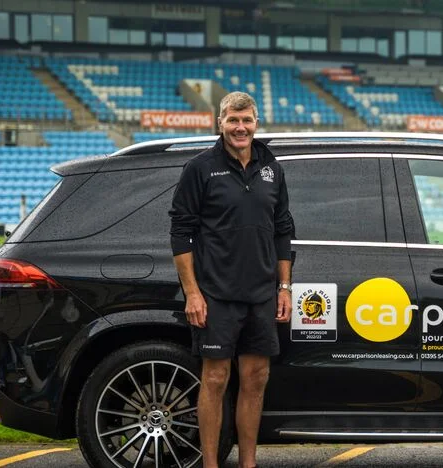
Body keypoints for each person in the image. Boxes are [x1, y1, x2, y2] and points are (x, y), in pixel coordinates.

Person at [169, 91, 295, 468]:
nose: (240, 127)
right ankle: (210, 464)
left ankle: (249, 463)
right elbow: (181, 232)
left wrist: (284, 287)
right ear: (219, 122)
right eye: (232, 120)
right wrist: (192, 293)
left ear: (256, 123)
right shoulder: (200, 168)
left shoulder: (272, 167)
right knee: (215, 379)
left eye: (247, 120)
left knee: (255, 378)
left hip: (261, 294)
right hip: (215, 295)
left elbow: (283, 229)